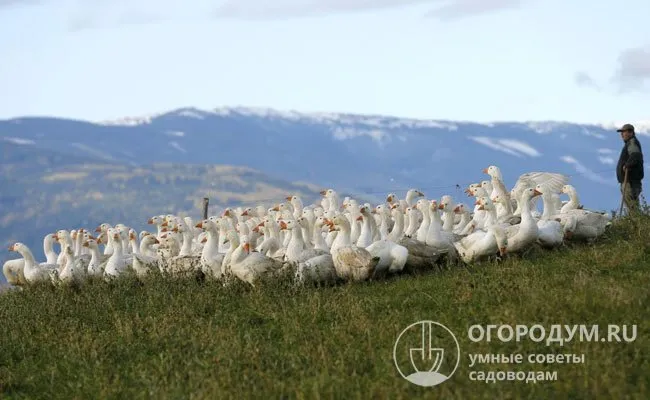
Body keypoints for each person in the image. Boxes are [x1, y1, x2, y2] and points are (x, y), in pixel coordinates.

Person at [616, 123, 644, 214]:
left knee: (632, 207)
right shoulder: (630, 143)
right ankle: (636, 225)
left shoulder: (632, 142)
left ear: (631, 133)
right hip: (629, 181)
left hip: (630, 181)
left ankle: (635, 226)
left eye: (624, 132)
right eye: (622, 132)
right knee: (632, 206)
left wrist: (627, 165)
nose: (622, 134)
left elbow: (635, 155)